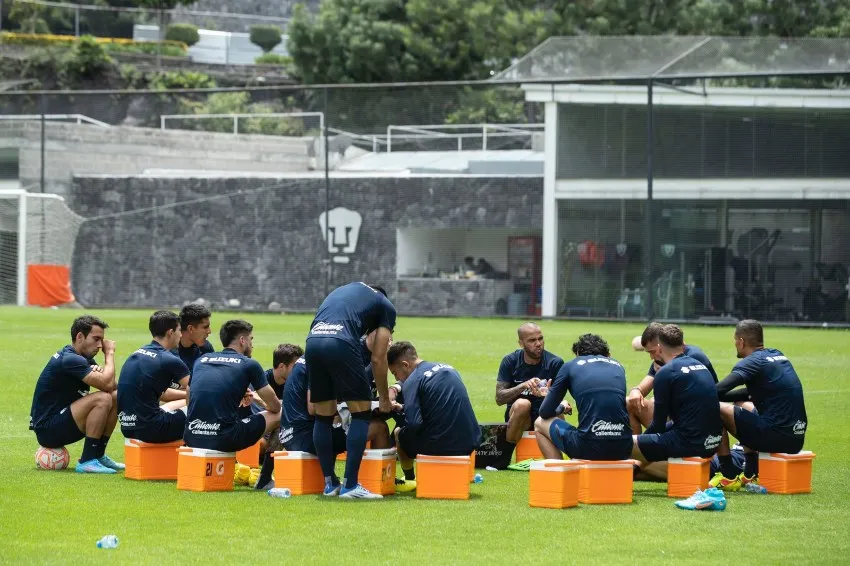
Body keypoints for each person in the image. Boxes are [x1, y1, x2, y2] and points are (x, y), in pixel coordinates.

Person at [306, 282, 395, 499]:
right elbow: (378, 358)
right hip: (341, 343)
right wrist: (384, 399)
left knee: (323, 417)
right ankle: (350, 485)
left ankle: (330, 484)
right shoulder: (385, 305)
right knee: (361, 414)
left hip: (313, 343)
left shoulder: (347, 291)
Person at [710, 319, 808, 490]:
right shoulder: (777, 355)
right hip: (796, 438)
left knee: (714, 408)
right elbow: (748, 393)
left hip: (777, 438)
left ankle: (728, 475)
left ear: (741, 342)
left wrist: (695, 395)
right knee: (741, 404)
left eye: (735, 341)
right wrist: (720, 396)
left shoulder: (752, 362)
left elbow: (719, 389)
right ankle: (751, 473)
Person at [29, 315, 123, 474]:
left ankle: (98, 455)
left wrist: (101, 373)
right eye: (96, 339)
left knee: (115, 396)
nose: (100, 345)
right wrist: (110, 353)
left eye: (102, 340)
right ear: (80, 337)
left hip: (63, 421)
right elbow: (107, 384)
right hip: (48, 430)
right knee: (103, 399)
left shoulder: (83, 358)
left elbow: (112, 386)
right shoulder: (70, 359)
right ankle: (87, 460)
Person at [631, 325, 722, 479]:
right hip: (712, 440)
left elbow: (658, 426)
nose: (652, 357)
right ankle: (635, 468)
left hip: (690, 442)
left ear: (660, 348)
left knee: (620, 444)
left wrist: (641, 443)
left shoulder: (667, 371)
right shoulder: (697, 364)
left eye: (652, 352)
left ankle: (626, 467)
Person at [387, 341, 481, 489]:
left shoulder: (413, 379)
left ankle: (409, 479)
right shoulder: (448, 368)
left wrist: (397, 414)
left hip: (440, 445)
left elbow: (414, 424)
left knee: (399, 432)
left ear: (405, 365)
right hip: (469, 442)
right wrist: (403, 408)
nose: (397, 379)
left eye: (395, 373)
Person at [184, 320, 281, 453]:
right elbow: (275, 407)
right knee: (283, 413)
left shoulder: (201, 360)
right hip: (224, 439)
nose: (252, 344)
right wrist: (258, 400)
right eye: (251, 339)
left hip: (191, 437)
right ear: (242, 340)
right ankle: (268, 466)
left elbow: (189, 398)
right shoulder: (249, 364)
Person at [534, 334, 633, 461]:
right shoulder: (618, 365)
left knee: (539, 423)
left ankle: (558, 470)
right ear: (608, 354)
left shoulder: (571, 365)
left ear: (578, 354)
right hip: (624, 448)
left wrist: (561, 406)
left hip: (589, 447)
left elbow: (544, 412)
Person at [626, 322, 717, 435]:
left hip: (692, 421)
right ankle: (638, 443)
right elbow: (648, 381)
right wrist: (636, 390)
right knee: (629, 402)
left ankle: (642, 444)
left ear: (661, 345)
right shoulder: (661, 359)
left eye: (653, 351)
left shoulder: (694, 357)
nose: (651, 357)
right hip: (669, 418)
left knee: (655, 402)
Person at [117, 311, 191, 444]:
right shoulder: (169, 359)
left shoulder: (137, 354)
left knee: (181, 403)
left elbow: (163, 394)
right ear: (170, 332)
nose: (181, 335)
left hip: (128, 427)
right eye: (179, 330)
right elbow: (199, 391)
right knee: (205, 414)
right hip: (153, 429)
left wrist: (185, 395)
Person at [496, 323, 564, 449]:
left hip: (544, 414)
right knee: (523, 404)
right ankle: (508, 450)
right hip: (519, 418)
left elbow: (561, 401)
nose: (538, 343)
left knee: (558, 409)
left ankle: (558, 454)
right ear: (521, 344)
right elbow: (499, 398)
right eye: (532, 340)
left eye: (540, 338)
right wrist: (522, 386)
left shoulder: (555, 363)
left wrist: (548, 395)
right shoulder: (510, 361)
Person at [248, 344, 304, 490]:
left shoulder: (297, 383)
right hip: (258, 433)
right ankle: (264, 477)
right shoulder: (261, 382)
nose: (299, 369)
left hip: (281, 435)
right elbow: (259, 415)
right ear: (282, 367)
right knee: (265, 441)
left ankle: (264, 478)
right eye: (295, 366)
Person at [174, 303, 214, 375]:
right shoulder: (169, 351)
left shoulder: (206, 348)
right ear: (190, 329)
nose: (209, 331)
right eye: (205, 327)